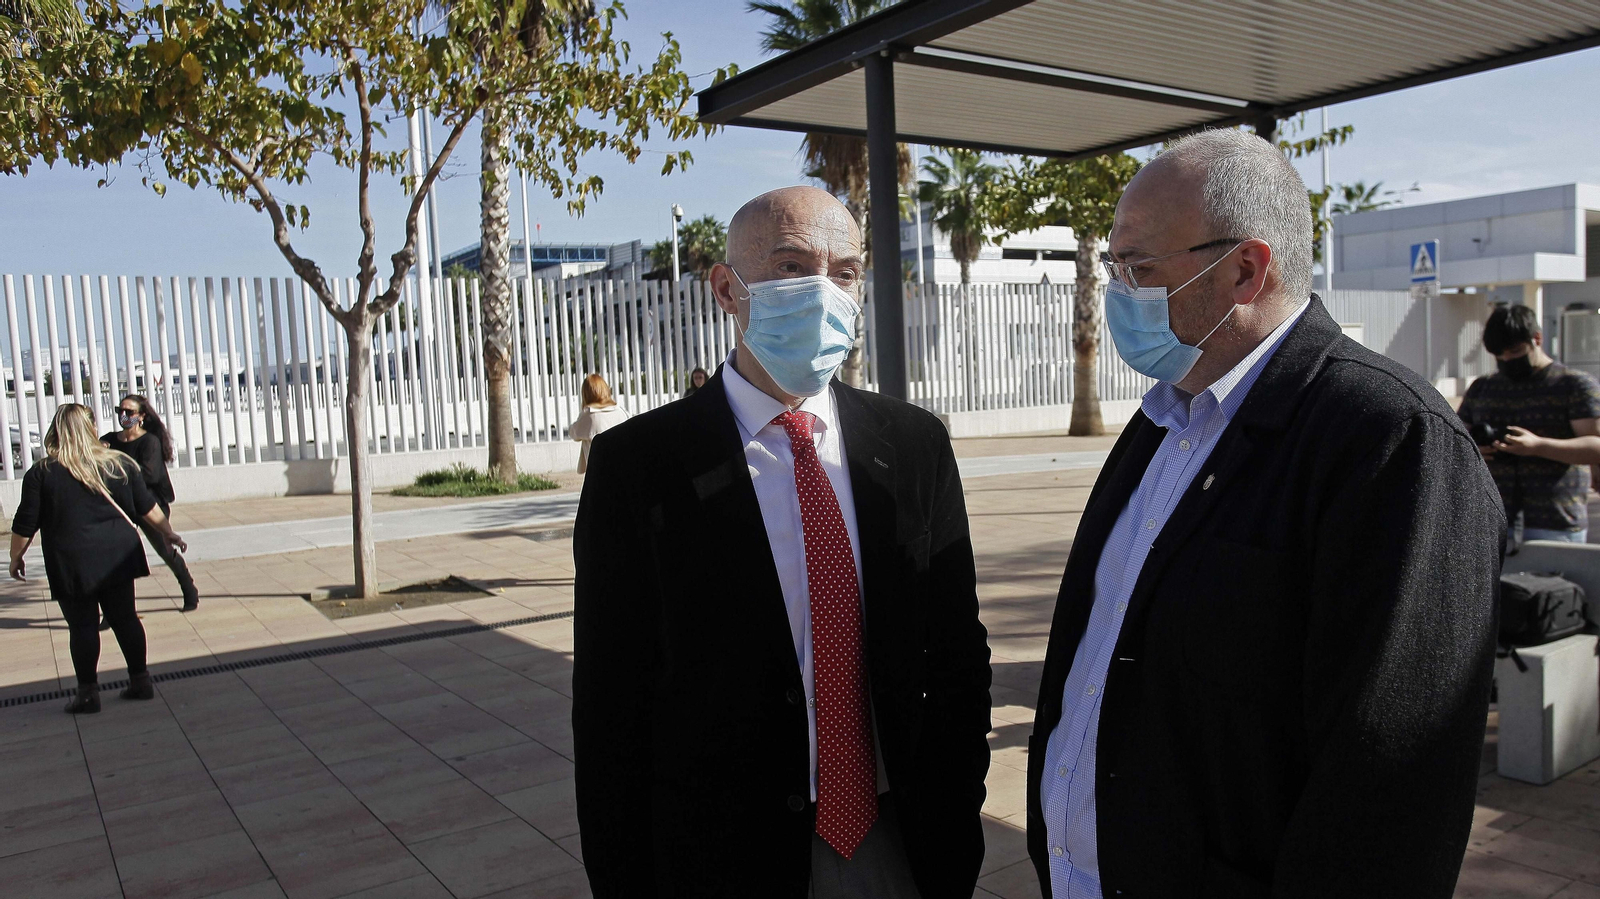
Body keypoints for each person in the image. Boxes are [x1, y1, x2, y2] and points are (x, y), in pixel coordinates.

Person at [1028, 129, 1502, 899]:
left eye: (1138, 267)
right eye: (1115, 267)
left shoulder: (1390, 440)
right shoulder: (1160, 421)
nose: (1118, 291)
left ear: (1244, 268)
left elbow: (1391, 790)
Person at [573, 186, 991, 899]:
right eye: (794, 266)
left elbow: (956, 653)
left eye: (846, 271)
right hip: (720, 856)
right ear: (726, 290)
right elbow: (612, 706)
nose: (825, 293)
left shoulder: (916, 444)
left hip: (896, 841)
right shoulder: (639, 466)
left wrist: (955, 809)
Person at [10, 404, 188, 714]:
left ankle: (88, 694)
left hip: (71, 560)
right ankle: (140, 681)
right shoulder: (119, 464)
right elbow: (147, 506)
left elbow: (25, 523)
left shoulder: (42, 473)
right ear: (92, 430)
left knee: (82, 626)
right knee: (125, 618)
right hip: (118, 555)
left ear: (57, 431)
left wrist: (16, 557)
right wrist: (168, 532)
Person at [1457, 304, 1600, 544]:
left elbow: (1595, 447)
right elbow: (1457, 438)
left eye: (1514, 351)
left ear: (1537, 339)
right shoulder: (1483, 387)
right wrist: (1475, 449)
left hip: (1554, 522)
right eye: (1498, 355)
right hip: (1491, 520)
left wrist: (1537, 446)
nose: (1506, 360)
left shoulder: (1573, 385)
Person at [102, 394, 199, 611]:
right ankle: (113, 610)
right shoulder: (110, 440)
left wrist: (115, 469)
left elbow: (149, 475)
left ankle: (188, 588)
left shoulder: (149, 442)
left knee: (165, 550)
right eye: (120, 411)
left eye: (130, 412)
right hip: (122, 506)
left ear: (142, 416)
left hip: (149, 504)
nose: (124, 416)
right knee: (115, 558)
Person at [569, 374, 629, 475]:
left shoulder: (589, 415)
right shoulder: (621, 412)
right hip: (623, 467)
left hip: (599, 473)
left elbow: (574, 433)